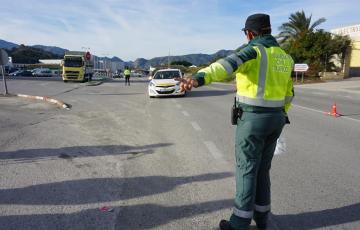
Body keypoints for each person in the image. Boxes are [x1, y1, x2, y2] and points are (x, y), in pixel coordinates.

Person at [177, 13, 294, 230]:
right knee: (262, 170)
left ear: (250, 33)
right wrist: (280, 113)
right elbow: (289, 93)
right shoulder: (285, 57)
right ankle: (262, 218)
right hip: (277, 119)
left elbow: (225, 65)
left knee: (247, 169)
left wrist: (198, 78)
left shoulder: (253, 51)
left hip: (253, 120)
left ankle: (239, 222)